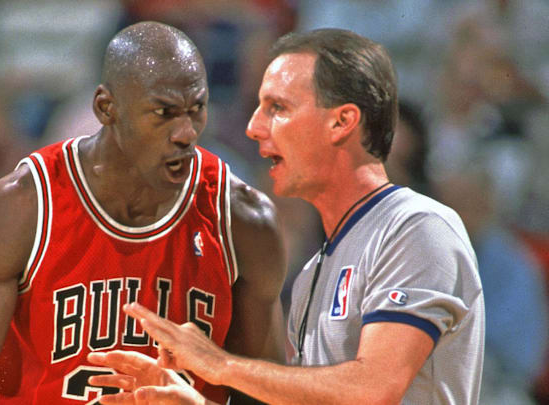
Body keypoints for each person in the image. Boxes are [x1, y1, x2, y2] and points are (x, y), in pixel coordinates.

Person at [89, 28, 485, 405]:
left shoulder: (418, 227)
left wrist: (219, 364)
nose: (254, 127)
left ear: (342, 121)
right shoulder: (313, 271)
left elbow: (374, 389)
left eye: (277, 108)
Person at [0, 21, 287, 405]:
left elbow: (267, 394)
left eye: (196, 109)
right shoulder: (21, 207)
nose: (185, 132)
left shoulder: (242, 220)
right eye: (164, 112)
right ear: (107, 108)